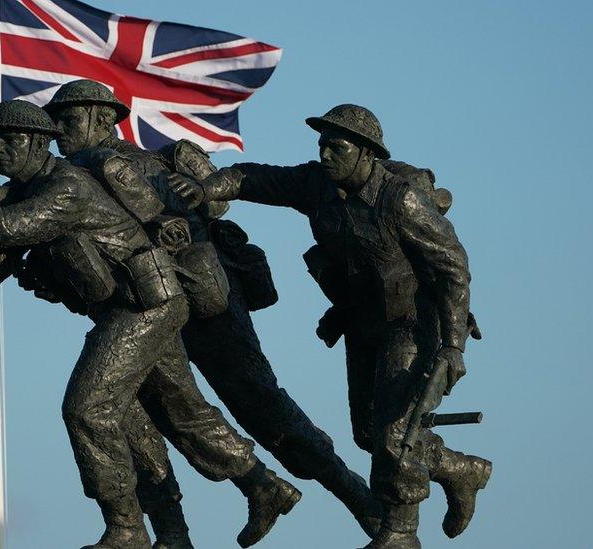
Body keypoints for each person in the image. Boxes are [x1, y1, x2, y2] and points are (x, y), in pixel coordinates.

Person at [0, 100, 299, 549]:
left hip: (146, 305)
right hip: (132, 309)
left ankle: (127, 529)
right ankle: (259, 489)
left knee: (87, 409)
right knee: (170, 418)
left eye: (10, 140)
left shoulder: (66, 186)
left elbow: (7, 230)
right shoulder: (25, 193)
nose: (0, 150)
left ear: (40, 143)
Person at [41, 80, 382, 539]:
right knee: (133, 415)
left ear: (104, 119)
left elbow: (185, 223)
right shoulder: (68, 176)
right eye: (55, 118)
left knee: (261, 406)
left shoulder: (128, 167)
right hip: (146, 311)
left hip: (206, 302)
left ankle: (361, 502)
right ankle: (171, 534)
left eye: (69, 118)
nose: (57, 128)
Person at [169, 104, 492, 549]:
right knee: (368, 434)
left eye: (335, 147)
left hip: (412, 322)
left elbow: (453, 266)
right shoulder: (315, 185)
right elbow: (249, 177)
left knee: (395, 435)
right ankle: (461, 470)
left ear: (366, 153)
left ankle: (400, 534)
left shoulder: (401, 200)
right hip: (362, 321)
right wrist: (206, 189)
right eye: (321, 145)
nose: (324, 154)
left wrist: (453, 346)